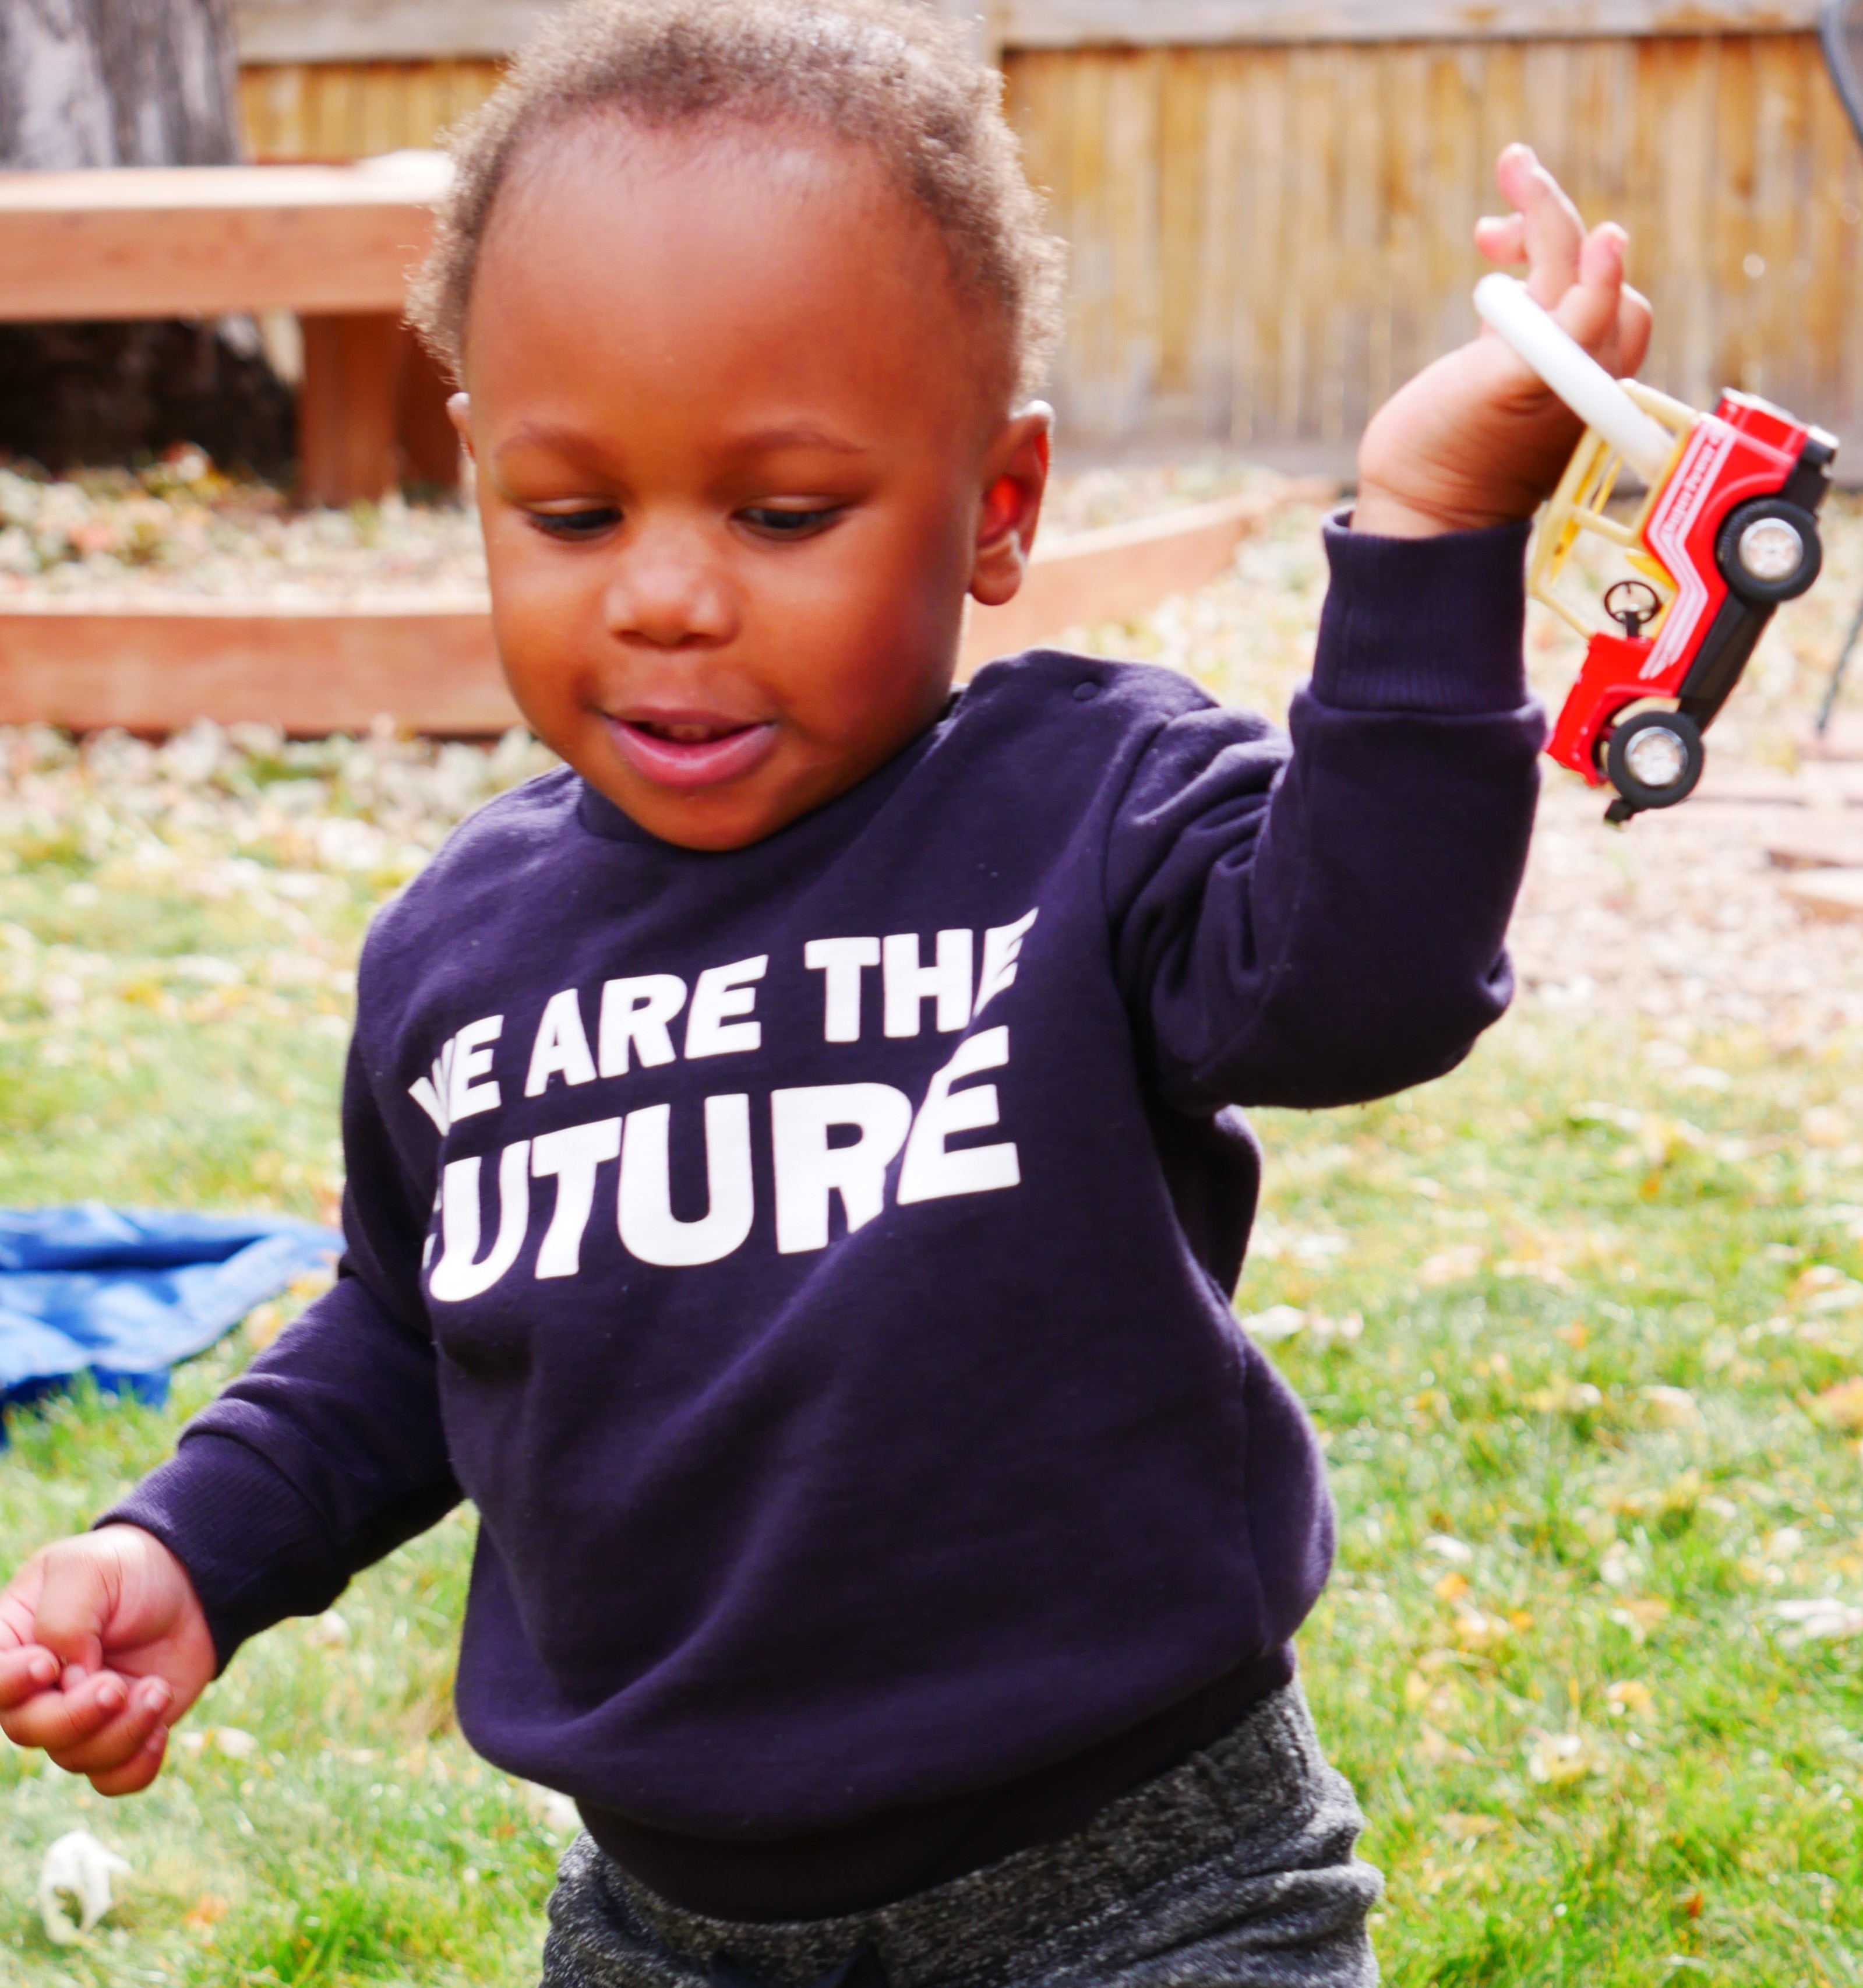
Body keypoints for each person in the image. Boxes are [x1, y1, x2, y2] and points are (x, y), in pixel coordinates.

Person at [0, 2, 1649, 1980]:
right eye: (574, 511)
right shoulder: (457, 946)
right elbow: (405, 1331)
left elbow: (1369, 983)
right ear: (475, 479)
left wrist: (1434, 537)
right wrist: (186, 1547)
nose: (669, 592)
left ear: (1001, 506)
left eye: (782, 514)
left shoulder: (1091, 802)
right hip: (671, 1925)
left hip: (1152, 1884)